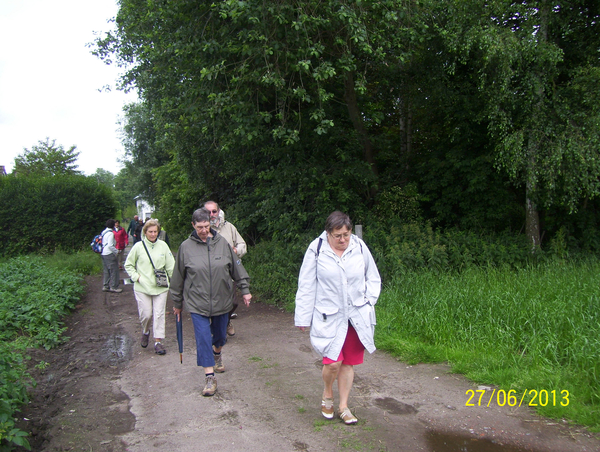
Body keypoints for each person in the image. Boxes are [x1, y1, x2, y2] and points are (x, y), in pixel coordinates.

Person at [295, 211, 381, 424]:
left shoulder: (359, 247)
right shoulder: (316, 249)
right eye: (338, 235)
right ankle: (327, 393)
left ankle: (343, 406)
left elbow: (373, 277)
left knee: (348, 363)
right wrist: (303, 317)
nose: (343, 239)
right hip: (328, 316)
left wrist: (368, 301)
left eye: (346, 234)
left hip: (355, 316)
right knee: (333, 362)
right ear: (328, 233)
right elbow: (306, 284)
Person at [170, 208, 252, 396]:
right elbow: (178, 278)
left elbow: (237, 269)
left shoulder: (222, 243)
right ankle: (209, 377)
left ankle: (218, 353)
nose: (204, 230)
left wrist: (245, 290)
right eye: (200, 227)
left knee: (219, 338)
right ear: (193, 225)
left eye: (206, 226)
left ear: (211, 224)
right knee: (203, 339)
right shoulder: (185, 248)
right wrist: (177, 303)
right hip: (197, 303)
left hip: (222, 301)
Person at [124, 219, 175, 355]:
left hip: (161, 286)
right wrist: (137, 277)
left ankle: (158, 342)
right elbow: (128, 265)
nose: (153, 234)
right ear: (145, 232)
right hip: (142, 287)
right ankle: (145, 331)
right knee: (146, 314)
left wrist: (176, 282)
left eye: (155, 232)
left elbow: (171, 266)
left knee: (159, 314)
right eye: (150, 232)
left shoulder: (163, 246)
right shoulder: (138, 247)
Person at [204, 200, 247, 337]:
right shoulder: (202, 230)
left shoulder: (229, 227)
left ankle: (226, 321)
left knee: (233, 302)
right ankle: (218, 332)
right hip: (209, 274)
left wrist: (236, 250)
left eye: (214, 211)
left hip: (229, 272)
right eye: (208, 212)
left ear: (219, 211)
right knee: (213, 304)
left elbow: (242, 244)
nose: (211, 214)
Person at [101, 219, 122, 293]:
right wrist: (117, 251)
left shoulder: (104, 232)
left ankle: (105, 285)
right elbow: (110, 245)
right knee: (114, 271)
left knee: (106, 270)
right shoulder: (110, 233)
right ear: (113, 225)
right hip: (109, 253)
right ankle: (114, 287)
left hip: (103, 253)